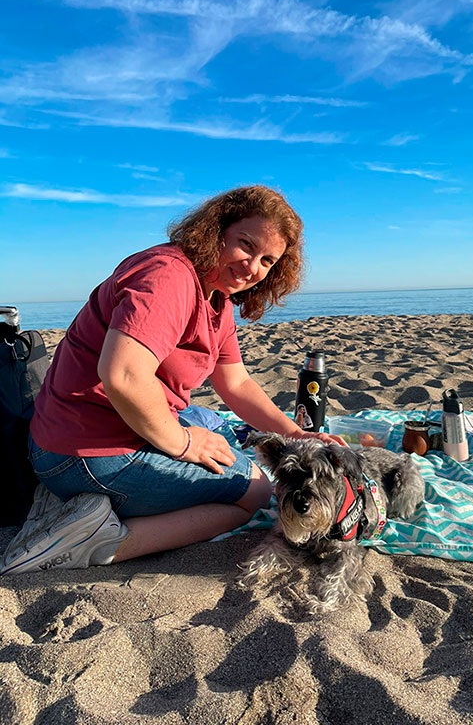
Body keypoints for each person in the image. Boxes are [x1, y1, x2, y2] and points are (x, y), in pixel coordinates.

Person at [1, 185, 343, 576]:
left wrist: (297, 435)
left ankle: (80, 502)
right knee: (258, 491)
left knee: (216, 427)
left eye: (267, 260)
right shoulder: (168, 276)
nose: (252, 267)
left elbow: (235, 384)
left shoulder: (217, 297)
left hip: (81, 434)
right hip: (83, 453)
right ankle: (101, 540)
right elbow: (123, 375)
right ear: (216, 231)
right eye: (245, 245)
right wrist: (182, 444)